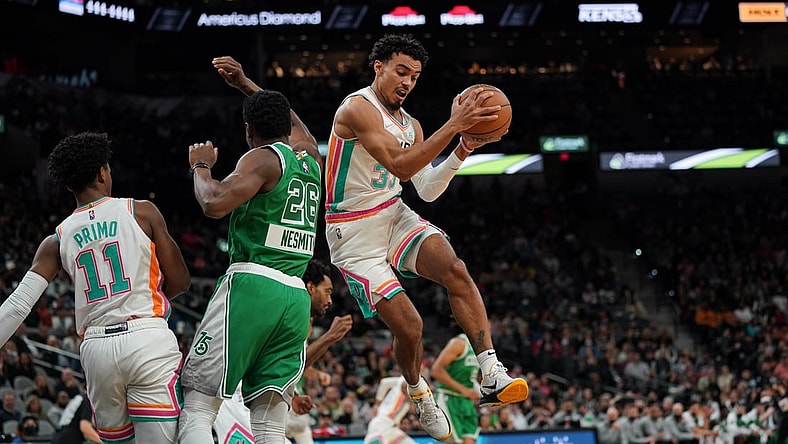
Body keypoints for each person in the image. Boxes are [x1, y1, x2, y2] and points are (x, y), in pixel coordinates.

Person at [323, 33, 528, 440]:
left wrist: (463, 147)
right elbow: (400, 165)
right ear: (378, 67)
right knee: (411, 327)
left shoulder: (411, 124)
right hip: (353, 232)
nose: (407, 82)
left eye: (415, 77)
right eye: (401, 71)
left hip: (392, 212)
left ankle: (490, 369)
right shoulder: (356, 109)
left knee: (455, 268)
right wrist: (454, 124)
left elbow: (427, 188)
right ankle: (419, 394)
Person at [0, 131, 192, 443]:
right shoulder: (141, 211)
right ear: (103, 172)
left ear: (68, 184)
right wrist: (138, 297)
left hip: (97, 349)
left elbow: (20, 304)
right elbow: (181, 281)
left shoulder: (57, 238)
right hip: (146, 337)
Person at [178, 57, 322, 444]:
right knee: (270, 424)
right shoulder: (310, 158)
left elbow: (215, 203)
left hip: (253, 284)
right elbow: (297, 126)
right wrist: (246, 84)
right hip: (295, 296)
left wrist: (201, 168)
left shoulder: (262, 158)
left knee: (198, 405)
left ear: (247, 130)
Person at [431, 333, 481, 444]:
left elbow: (471, 378)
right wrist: (463, 390)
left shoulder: (480, 347)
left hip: (466, 402)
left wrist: (482, 393)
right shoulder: (459, 343)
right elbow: (436, 370)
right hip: (449, 398)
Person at [363, 376, 416, 444]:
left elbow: (384, 382)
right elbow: (385, 382)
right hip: (382, 422)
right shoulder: (405, 381)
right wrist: (377, 404)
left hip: (392, 426)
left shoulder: (402, 382)